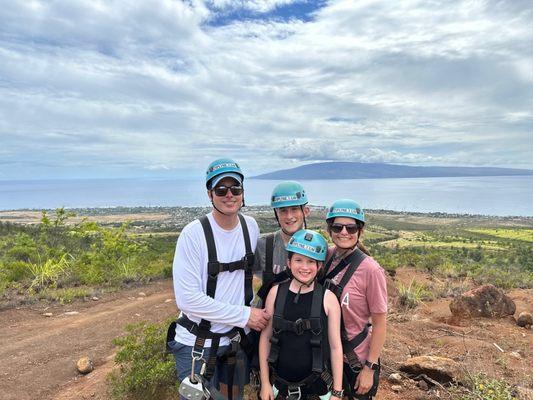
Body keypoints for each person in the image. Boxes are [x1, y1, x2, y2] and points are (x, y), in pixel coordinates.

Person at [168, 158, 270, 400]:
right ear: (209, 193)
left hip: (235, 343)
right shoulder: (193, 235)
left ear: (243, 193)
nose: (229, 195)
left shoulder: (250, 226)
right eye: (221, 190)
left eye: (235, 189)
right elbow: (188, 300)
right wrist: (246, 315)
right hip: (197, 345)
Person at [259, 229, 344, 400]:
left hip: (317, 389)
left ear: (319, 266)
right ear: (289, 263)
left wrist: (337, 391)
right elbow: (265, 338)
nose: (304, 267)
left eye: (311, 262)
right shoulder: (276, 293)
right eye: (298, 260)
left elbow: (336, 347)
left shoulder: (328, 299)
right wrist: (265, 383)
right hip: (279, 386)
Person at [319, 199, 387, 400]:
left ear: (360, 231)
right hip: (327, 356)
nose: (344, 232)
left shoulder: (371, 270)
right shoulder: (325, 258)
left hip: (355, 360)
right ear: (329, 229)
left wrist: (369, 368)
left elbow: (380, 323)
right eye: (337, 227)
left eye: (351, 228)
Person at [255, 180, 311, 304]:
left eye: (294, 209)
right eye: (283, 210)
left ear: (306, 211)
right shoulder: (263, 245)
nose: (289, 216)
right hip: (269, 317)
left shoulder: (317, 246)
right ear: (276, 213)